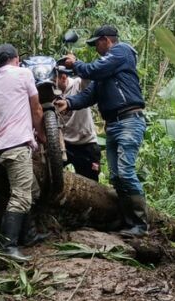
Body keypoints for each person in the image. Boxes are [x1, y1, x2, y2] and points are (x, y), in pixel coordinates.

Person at [56, 24, 149, 236]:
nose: (95, 48)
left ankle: (141, 225)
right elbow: (89, 95)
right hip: (114, 125)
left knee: (125, 172)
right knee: (116, 176)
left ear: (106, 40)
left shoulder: (121, 51)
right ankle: (128, 222)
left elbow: (94, 69)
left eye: (96, 43)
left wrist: (76, 63)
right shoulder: (106, 72)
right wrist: (68, 103)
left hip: (128, 120)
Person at [0, 44, 45, 262]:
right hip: (17, 147)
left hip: (0, 147)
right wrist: (41, 133)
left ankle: (29, 235)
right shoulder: (23, 73)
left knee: (33, 191)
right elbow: (37, 108)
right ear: (16, 59)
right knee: (21, 196)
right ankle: (8, 246)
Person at [55, 71, 101, 182]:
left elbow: (88, 80)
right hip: (64, 144)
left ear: (63, 77)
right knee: (51, 175)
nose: (52, 83)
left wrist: (76, 65)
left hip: (86, 143)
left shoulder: (78, 84)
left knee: (90, 182)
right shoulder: (51, 92)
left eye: (53, 80)